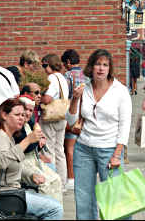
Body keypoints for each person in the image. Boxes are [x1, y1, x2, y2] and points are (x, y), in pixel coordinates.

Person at [65, 49, 132, 220]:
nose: (101, 69)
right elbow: (72, 121)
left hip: (109, 150)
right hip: (84, 149)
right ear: (91, 67)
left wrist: (118, 154)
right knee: (84, 199)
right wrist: (74, 98)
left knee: (117, 200)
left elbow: (125, 126)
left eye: (105, 65)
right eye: (97, 64)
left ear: (110, 69)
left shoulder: (120, 91)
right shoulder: (84, 88)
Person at [0, 98, 63, 219]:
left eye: (23, 115)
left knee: (52, 201)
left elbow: (12, 165)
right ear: (4, 115)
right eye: (17, 114)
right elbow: (2, 162)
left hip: (9, 193)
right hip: (0, 197)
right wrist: (27, 140)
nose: (22, 118)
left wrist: (30, 175)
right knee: (55, 209)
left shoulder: (8, 136)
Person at [17, 95, 63, 204]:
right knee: (46, 183)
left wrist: (39, 139)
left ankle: (56, 211)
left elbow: (35, 132)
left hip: (33, 160)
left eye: (30, 110)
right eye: (25, 110)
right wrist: (36, 140)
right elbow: (23, 149)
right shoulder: (17, 126)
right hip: (23, 163)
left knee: (56, 179)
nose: (27, 113)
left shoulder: (28, 123)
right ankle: (49, 210)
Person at [40, 54, 69, 192]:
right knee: (60, 150)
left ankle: (53, 182)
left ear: (51, 64)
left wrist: (39, 98)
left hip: (50, 116)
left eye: (45, 65)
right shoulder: (62, 78)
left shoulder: (52, 78)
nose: (44, 69)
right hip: (62, 116)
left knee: (49, 149)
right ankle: (63, 183)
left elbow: (47, 99)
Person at [61, 49, 87, 191]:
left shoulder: (67, 76)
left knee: (69, 148)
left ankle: (71, 178)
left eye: (65, 64)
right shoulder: (87, 75)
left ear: (68, 62)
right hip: (86, 113)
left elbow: (65, 97)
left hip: (73, 111)